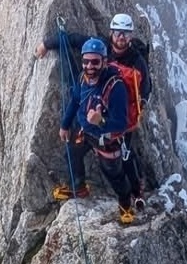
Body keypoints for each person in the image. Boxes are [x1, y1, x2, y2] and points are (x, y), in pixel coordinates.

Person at [35, 13, 151, 206]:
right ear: (111, 32)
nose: (121, 37)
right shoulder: (100, 48)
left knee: (124, 157)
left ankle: (135, 194)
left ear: (131, 36)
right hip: (92, 116)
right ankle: (78, 187)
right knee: (74, 150)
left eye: (126, 33)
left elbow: (146, 87)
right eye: (118, 32)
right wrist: (47, 44)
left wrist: (140, 106)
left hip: (118, 115)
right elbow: (75, 40)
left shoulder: (136, 61)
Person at [51, 38, 136, 225]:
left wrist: (101, 121)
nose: (89, 66)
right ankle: (78, 187)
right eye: (86, 61)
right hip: (86, 132)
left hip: (107, 140)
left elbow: (121, 124)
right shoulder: (83, 79)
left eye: (95, 62)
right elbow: (75, 101)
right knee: (72, 153)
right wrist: (65, 125)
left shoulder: (116, 87)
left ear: (104, 62)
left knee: (114, 175)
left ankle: (126, 205)